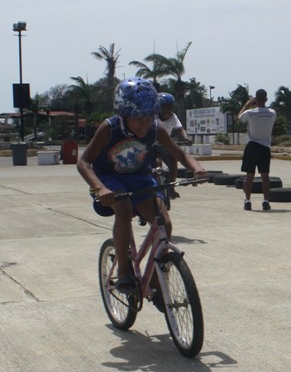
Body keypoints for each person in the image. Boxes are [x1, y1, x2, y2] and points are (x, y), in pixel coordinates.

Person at [77, 77, 207, 293]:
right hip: (110, 178)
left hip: (140, 177)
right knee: (124, 209)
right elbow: (83, 162)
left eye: (148, 117)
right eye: (137, 118)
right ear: (123, 114)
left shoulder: (156, 129)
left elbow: (180, 154)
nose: (144, 123)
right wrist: (100, 188)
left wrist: (197, 168)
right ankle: (124, 271)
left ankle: (155, 280)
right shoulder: (109, 128)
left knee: (164, 224)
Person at [237, 88, 277, 211]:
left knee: (249, 176)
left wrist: (247, 104)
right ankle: (265, 201)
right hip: (265, 147)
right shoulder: (272, 113)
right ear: (266, 99)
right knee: (265, 176)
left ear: (255, 100)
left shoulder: (250, 113)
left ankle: (248, 201)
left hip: (252, 146)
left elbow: (239, 117)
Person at [155, 92, 193, 198]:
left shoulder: (173, 116)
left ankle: (171, 188)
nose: (167, 111)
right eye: (164, 107)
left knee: (173, 161)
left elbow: (180, 129)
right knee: (153, 165)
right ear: (158, 107)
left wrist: (186, 138)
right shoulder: (152, 116)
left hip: (165, 144)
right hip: (151, 144)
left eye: (170, 107)